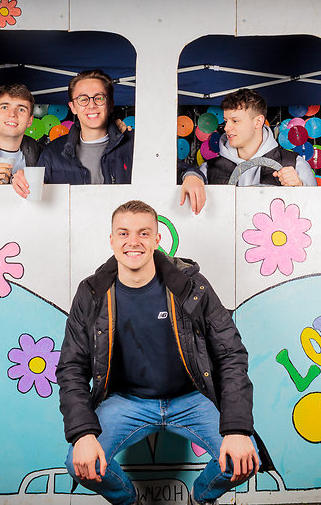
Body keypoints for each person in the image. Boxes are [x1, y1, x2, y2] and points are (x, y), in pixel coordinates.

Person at [56, 200, 271, 505]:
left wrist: (236, 429)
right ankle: (130, 501)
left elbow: (231, 353)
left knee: (245, 459)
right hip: (126, 401)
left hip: (192, 398)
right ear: (112, 240)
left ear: (157, 239)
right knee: (77, 463)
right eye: (124, 233)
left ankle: (199, 498)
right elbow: (71, 368)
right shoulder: (91, 293)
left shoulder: (190, 286)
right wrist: (83, 435)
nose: (133, 241)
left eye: (143, 233)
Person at [13, 69, 207, 214]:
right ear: (72, 107)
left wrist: (192, 177)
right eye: (83, 99)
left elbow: (177, 169)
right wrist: (22, 180)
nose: (91, 105)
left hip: (126, 239)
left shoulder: (136, 145)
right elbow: (34, 199)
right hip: (73, 240)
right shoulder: (53, 153)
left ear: (111, 104)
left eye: (99, 98)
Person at [198, 88, 316, 187]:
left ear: (258, 122)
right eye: (226, 121)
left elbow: (314, 206)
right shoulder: (207, 170)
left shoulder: (296, 164)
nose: (226, 128)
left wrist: (300, 188)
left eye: (235, 121)